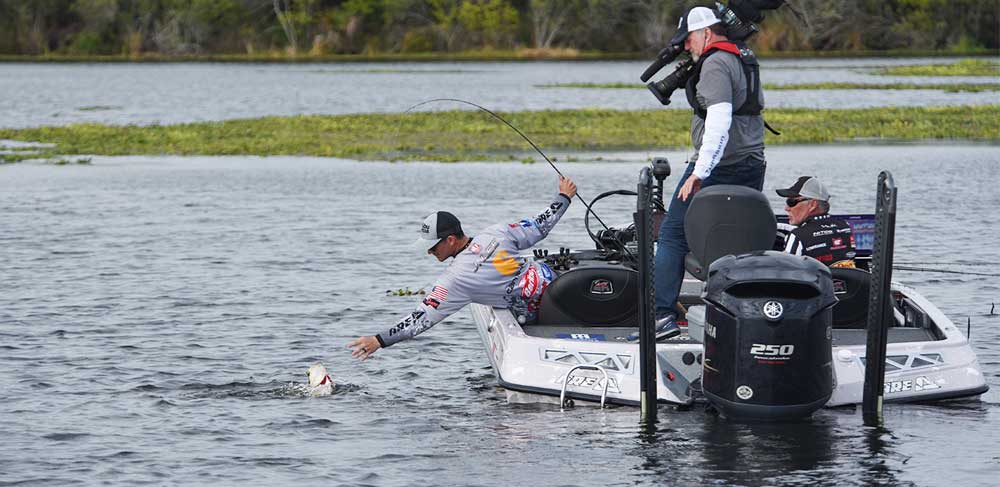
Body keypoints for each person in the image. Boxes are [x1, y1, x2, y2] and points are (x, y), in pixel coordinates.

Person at [347, 176, 577, 360]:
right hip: (561, 285)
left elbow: (421, 318)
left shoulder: (455, 280)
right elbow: (539, 226)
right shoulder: (496, 232)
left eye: (432, 247)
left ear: (449, 240)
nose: (429, 252)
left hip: (544, 313)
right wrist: (564, 197)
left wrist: (379, 340)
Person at [652, 6, 768, 340]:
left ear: (704, 33)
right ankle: (741, 315)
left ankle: (661, 317)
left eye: (688, 39)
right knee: (739, 242)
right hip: (751, 162)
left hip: (719, 165)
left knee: (673, 235)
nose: (686, 47)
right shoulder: (743, 55)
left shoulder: (715, 63)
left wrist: (700, 171)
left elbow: (719, 122)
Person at [777, 176, 856, 268]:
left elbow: (787, 274)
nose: (786, 208)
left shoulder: (797, 236)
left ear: (813, 204)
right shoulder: (844, 226)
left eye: (791, 202)